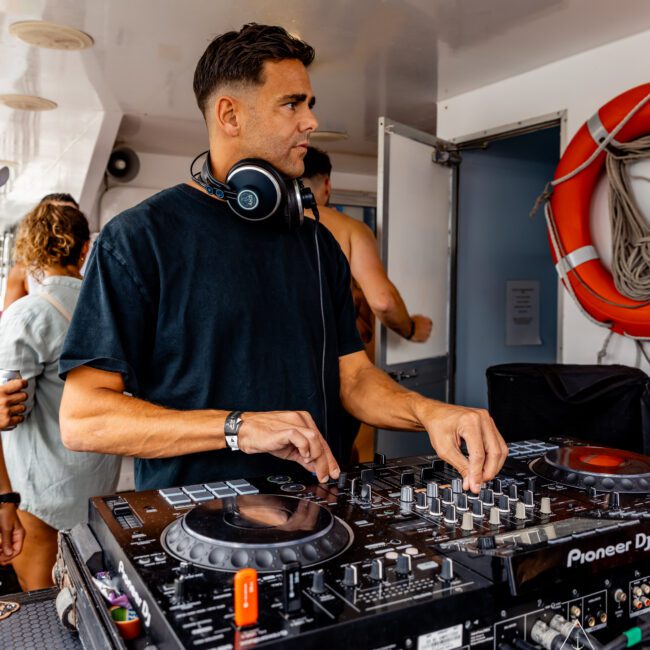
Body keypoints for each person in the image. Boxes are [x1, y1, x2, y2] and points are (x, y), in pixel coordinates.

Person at [59, 23, 507, 498]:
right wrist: (238, 428)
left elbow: (352, 377)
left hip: (317, 512)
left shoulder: (316, 243)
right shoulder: (137, 239)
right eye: (292, 104)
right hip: (197, 534)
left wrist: (430, 411)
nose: (311, 121)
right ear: (229, 115)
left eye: (310, 104)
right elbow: (83, 418)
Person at [0, 202, 121, 591]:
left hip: (39, 495)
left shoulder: (26, 316)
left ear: (31, 251)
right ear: (84, 248)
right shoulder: (111, 312)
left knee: (41, 603)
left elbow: (8, 412)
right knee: (88, 600)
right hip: (98, 490)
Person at [302, 146, 433, 346]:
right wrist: (412, 329)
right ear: (327, 185)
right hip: (329, 363)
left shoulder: (258, 225)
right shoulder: (350, 229)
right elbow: (383, 301)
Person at [3, 193, 79, 312]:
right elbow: (10, 320)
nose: (60, 227)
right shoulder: (23, 270)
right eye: (51, 220)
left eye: (70, 217)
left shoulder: (96, 261)